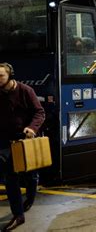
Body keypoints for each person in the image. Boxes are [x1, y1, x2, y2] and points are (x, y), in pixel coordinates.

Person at [0, 63, 45, 231]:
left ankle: (31, 196)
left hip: (25, 139)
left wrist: (32, 128)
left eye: (1, 76)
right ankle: (18, 215)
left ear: (10, 76)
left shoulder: (26, 91)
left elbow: (39, 112)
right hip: (5, 141)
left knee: (30, 174)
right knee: (10, 178)